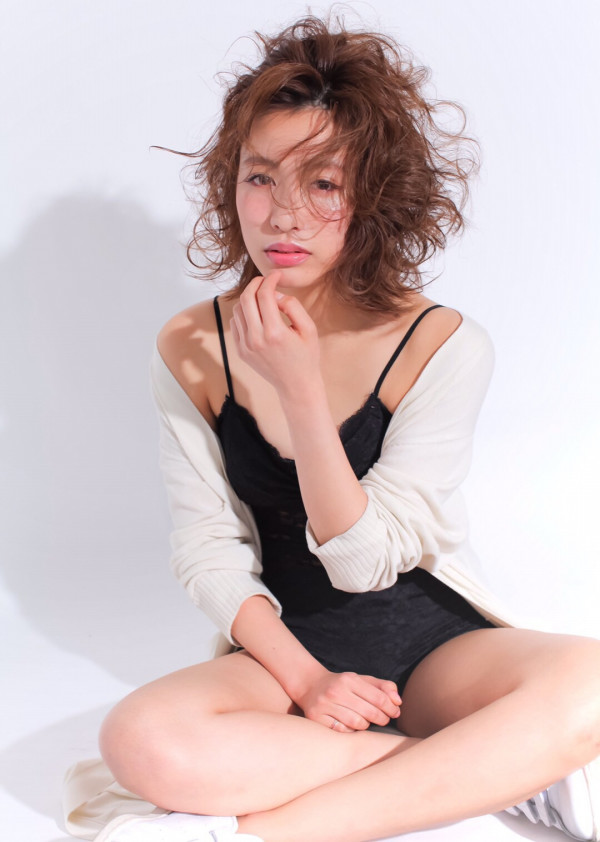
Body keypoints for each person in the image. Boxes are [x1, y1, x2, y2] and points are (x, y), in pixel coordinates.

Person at [63, 15, 600, 842]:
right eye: (260, 178)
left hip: (435, 646)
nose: (284, 216)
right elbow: (208, 552)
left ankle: (267, 834)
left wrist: (301, 392)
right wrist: (310, 682)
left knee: (594, 683)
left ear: (375, 195)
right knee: (137, 740)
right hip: (287, 650)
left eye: (323, 183)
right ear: (229, 183)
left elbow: (362, 564)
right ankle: (484, 769)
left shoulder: (442, 345)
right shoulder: (191, 346)